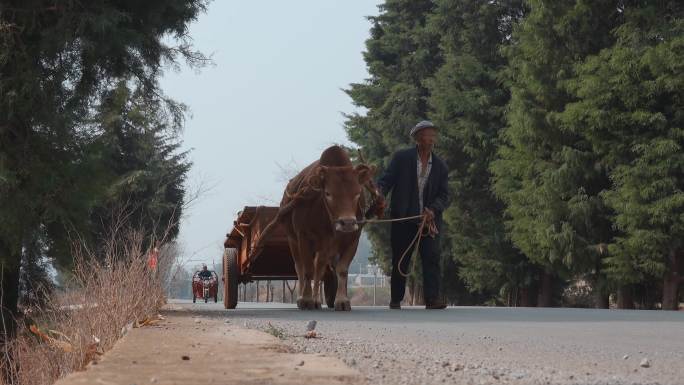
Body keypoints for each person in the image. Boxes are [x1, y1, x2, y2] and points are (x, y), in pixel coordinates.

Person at [376, 120, 450, 310]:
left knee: (432, 257)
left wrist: (433, 209)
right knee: (401, 259)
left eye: (433, 134)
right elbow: (386, 180)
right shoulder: (402, 158)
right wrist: (379, 194)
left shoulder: (441, 166)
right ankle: (396, 299)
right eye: (427, 134)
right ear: (417, 138)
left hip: (428, 221)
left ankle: (432, 299)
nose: (432, 137)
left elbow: (444, 195)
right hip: (404, 218)